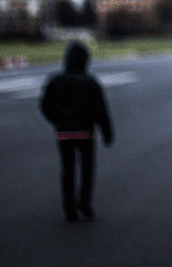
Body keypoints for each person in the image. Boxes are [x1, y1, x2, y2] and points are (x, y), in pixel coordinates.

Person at [40, 41, 114, 222]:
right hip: (86, 132)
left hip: (64, 132)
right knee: (87, 168)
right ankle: (85, 204)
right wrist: (107, 132)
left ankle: (69, 208)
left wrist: (57, 121)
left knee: (67, 168)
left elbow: (45, 105)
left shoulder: (55, 80)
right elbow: (101, 109)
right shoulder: (90, 81)